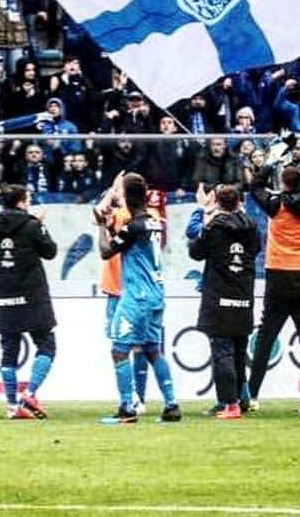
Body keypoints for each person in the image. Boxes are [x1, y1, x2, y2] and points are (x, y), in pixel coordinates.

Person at [96, 173, 181, 423]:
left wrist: (102, 226)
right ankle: (172, 404)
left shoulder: (133, 227)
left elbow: (105, 252)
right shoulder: (155, 222)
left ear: (128, 196)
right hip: (156, 293)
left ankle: (127, 407)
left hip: (137, 296)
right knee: (153, 349)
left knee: (119, 350)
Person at [246, 165, 300, 414]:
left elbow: (255, 187)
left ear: (283, 183)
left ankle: (252, 395)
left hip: (279, 277)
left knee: (266, 338)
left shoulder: (275, 206)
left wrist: (268, 165)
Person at [0, 184, 57, 419]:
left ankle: (12, 406)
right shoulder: (32, 225)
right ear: (21, 202)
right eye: (28, 199)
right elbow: (50, 251)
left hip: (4, 293)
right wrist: (40, 224)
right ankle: (30, 393)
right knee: (46, 344)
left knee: (9, 351)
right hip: (32, 294)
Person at [187, 183, 260, 419]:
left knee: (222, 352)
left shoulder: (214, 228)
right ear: (240, 202)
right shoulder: (252, 227)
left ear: (218, 203)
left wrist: (204, 214)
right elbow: (256, 250)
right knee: (239, 352)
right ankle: (241, 400)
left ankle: (230, 404)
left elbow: (195, 251)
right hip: (243, 295)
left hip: (219, 295)